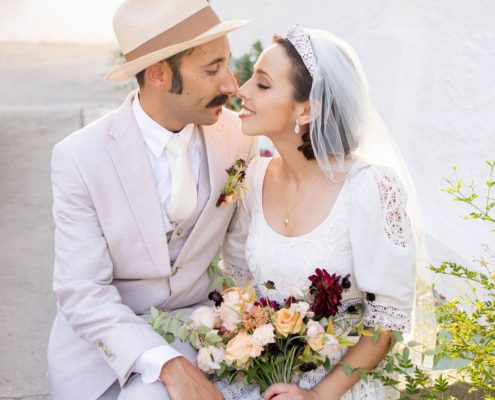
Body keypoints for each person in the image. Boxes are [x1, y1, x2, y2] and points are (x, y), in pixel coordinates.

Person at [47, 0, 258, 399]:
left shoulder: (238, 138)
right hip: (102, 350)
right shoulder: (79, 157)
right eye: (212, 69)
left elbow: (243, 256)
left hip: (202, 333)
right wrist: (163, 362)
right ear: (159, 74)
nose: (231, 84)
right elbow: (82, 290)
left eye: (227, 63)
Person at [219, 25, 419, 400]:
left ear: (306, 108)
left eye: (262, 85)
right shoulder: (253, 179)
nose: (241, 91)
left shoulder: (369, 188)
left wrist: (316, 395)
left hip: (339, 386)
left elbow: (387, 322)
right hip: (260, 378)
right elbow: (238, 289)